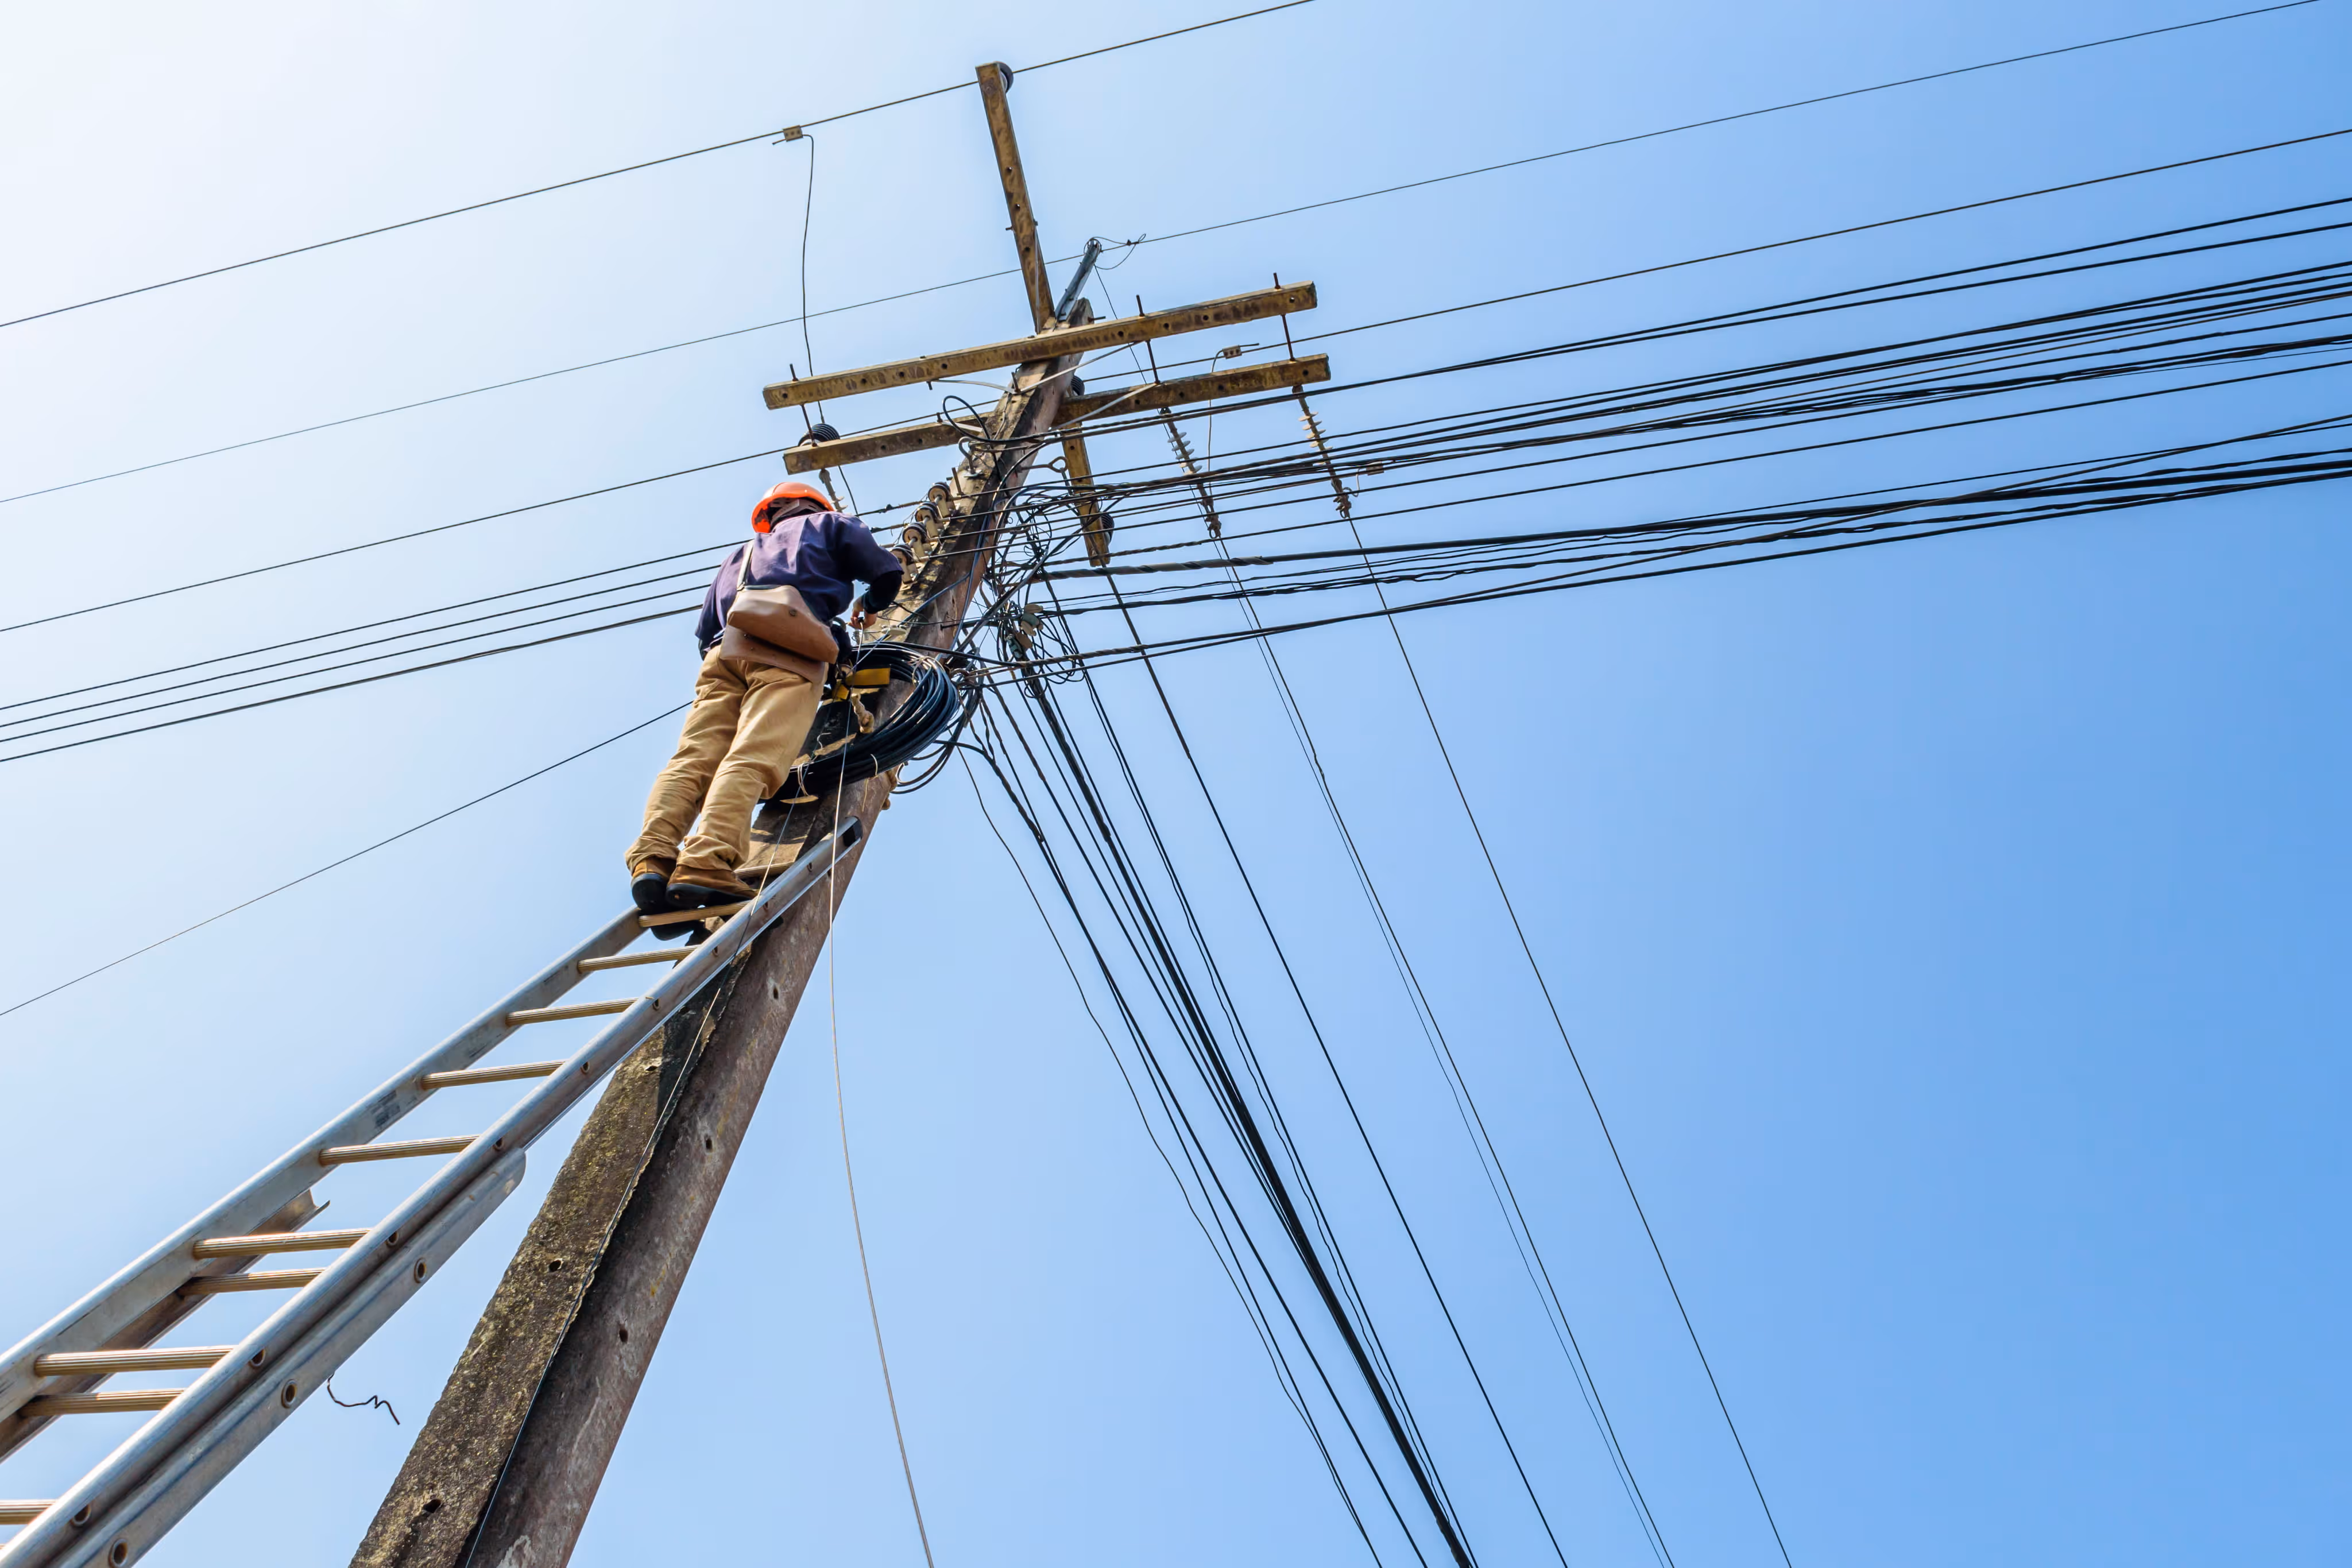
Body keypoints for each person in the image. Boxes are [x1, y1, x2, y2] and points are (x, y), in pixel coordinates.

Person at [625, 479, 904, 915]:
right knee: (754, 753)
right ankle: (706, 860)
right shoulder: (830, 524)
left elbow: (703, 632)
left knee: (694, 758)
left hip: (723, 653)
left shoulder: (739, 556)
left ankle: (653, 856)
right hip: (789, 649)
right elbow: (887, 573)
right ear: (809, 503)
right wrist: (869, 604)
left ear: (772, 511)